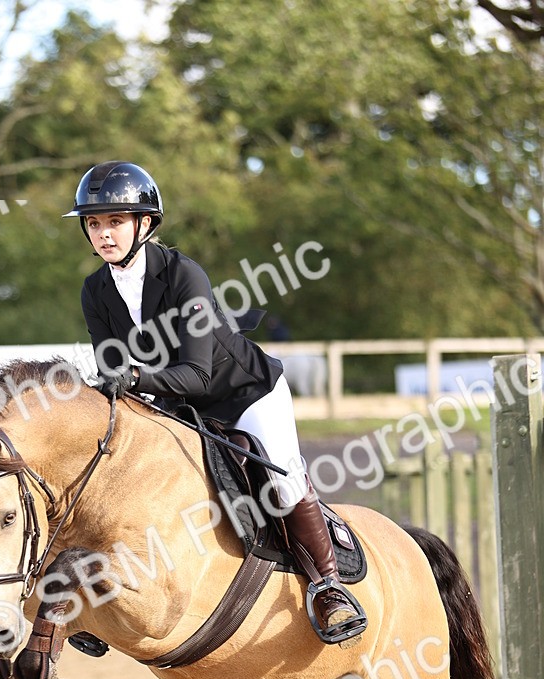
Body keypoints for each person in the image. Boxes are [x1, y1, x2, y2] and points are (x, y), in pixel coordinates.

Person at [63, 160, 365, 644]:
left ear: (145, 223)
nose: (103, 234)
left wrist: (134, 377)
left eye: (115, 221)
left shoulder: (183, 275)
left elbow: (197, 374)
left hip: (244, 393)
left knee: (283, 477)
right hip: (180, 404)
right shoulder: (94, 290)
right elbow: (114, 371)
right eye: (94, 223)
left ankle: (328, 587)